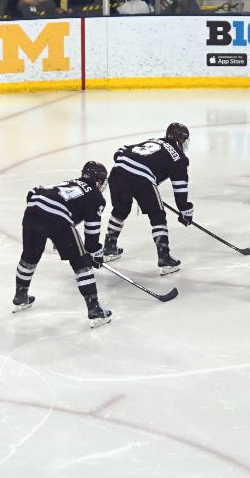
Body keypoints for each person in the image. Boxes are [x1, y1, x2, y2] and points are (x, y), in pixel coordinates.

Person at [11, 161, 112, 326]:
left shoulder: (70, 183)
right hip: (55, 215)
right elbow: (92, 232)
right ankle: (95, 309)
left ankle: (20, 295)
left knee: (30, 255)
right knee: (81, 261)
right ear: (98, 180)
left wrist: (53, 231)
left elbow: (32, 193)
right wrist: (93, 253)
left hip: (33, 209)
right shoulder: (95, 196)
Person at [100, 123, 192, 276]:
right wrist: (185, 210)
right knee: (157, 216)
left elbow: (120, 150)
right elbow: (180, 186)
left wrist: (128, 169)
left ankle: (109, 248)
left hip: (117, 173)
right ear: (181, 140)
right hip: (141, 179)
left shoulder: (154, 140)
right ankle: (164, 258)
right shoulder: (179, 157)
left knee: (120, 210)